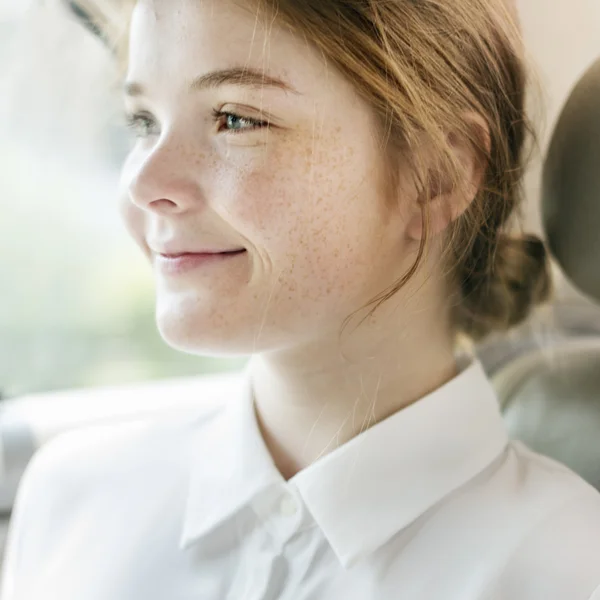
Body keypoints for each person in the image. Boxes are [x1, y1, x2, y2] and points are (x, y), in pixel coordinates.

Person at [3, 0, 600, 598]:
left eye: (235, 119)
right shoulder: (70, 501)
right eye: (144, 122)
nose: (142, 183)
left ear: (436, 174)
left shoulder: (564, 565)